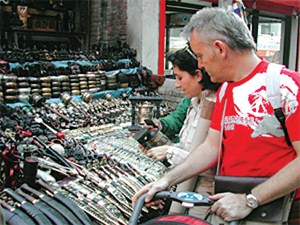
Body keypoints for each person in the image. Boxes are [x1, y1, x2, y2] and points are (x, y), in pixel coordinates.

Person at [132, 7, 300, 225]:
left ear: (220, 48)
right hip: (231, 207)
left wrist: (250, 200)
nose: (199, 64)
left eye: (200, 55)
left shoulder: (288, 87)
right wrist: (165, 181)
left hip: (278, 212)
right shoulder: (225, 91)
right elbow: (211, 146)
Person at [146, 47, 220, 218]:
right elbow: (187, 142)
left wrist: (169, 151)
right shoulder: (194, 103)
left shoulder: (215, 105)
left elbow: (209, 159)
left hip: (204, 191)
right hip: (186, 185)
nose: (177, 84)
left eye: (180, 78)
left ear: (198, 75)